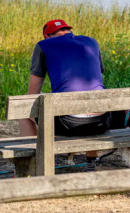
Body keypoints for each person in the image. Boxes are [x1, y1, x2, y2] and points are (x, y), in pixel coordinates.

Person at [20, 19, 110, 172]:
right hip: (101, 122)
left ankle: (31, 165)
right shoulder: (91, 42)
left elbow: (32, 93)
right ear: (69, 31)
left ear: (46, 36)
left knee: (23, 109)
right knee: (92, 98)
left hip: (69, 124)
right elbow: (97, 76)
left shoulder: (44, 45)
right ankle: (90, 163)